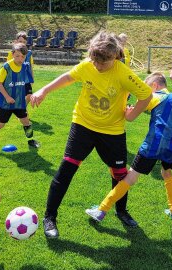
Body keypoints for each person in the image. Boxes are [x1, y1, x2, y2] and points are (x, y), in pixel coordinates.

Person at [30, 31, 153, 238]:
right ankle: (50, 217)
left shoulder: (123, 73)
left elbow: (146, 94)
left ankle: (121, 211)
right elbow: (68, 77)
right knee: (66, 169)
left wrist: (131, 116)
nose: (97, 66)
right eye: (95, 61)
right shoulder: (88, 65)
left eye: (102, 63)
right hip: (83, 125)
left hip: (112, 131)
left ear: (114, 57)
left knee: (120, 174)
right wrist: (44, 91)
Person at [85, 72, 172, 223]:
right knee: (166, 173)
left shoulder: (154, 96)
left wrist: (128, 110)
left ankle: (102, 210)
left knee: (131, 176)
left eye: (147, 88)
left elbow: (135, 111)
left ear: (154, 86)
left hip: (153, 145)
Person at [0, 42, 40, 149]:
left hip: (19, 102)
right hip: (6, 103)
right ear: (12, 54)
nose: (20, 59)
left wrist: (30, 96)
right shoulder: (6, 67)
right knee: (0, 124)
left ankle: (31, 141)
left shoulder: (25, 67)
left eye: (23, 57)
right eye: (17, 56)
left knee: (26, 121)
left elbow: (27, 84)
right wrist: (7, 97)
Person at [7, 31, 34, 105]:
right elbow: (8, 68)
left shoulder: (29, 54)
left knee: (29, 96)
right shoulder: (11, 54)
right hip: (16, 79)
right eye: (20, 41)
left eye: (24, 42)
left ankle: (21, 110)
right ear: (16, 42)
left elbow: (30, 67)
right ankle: (20, 112)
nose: (22, 43)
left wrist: (32, 79)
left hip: (26, 79)